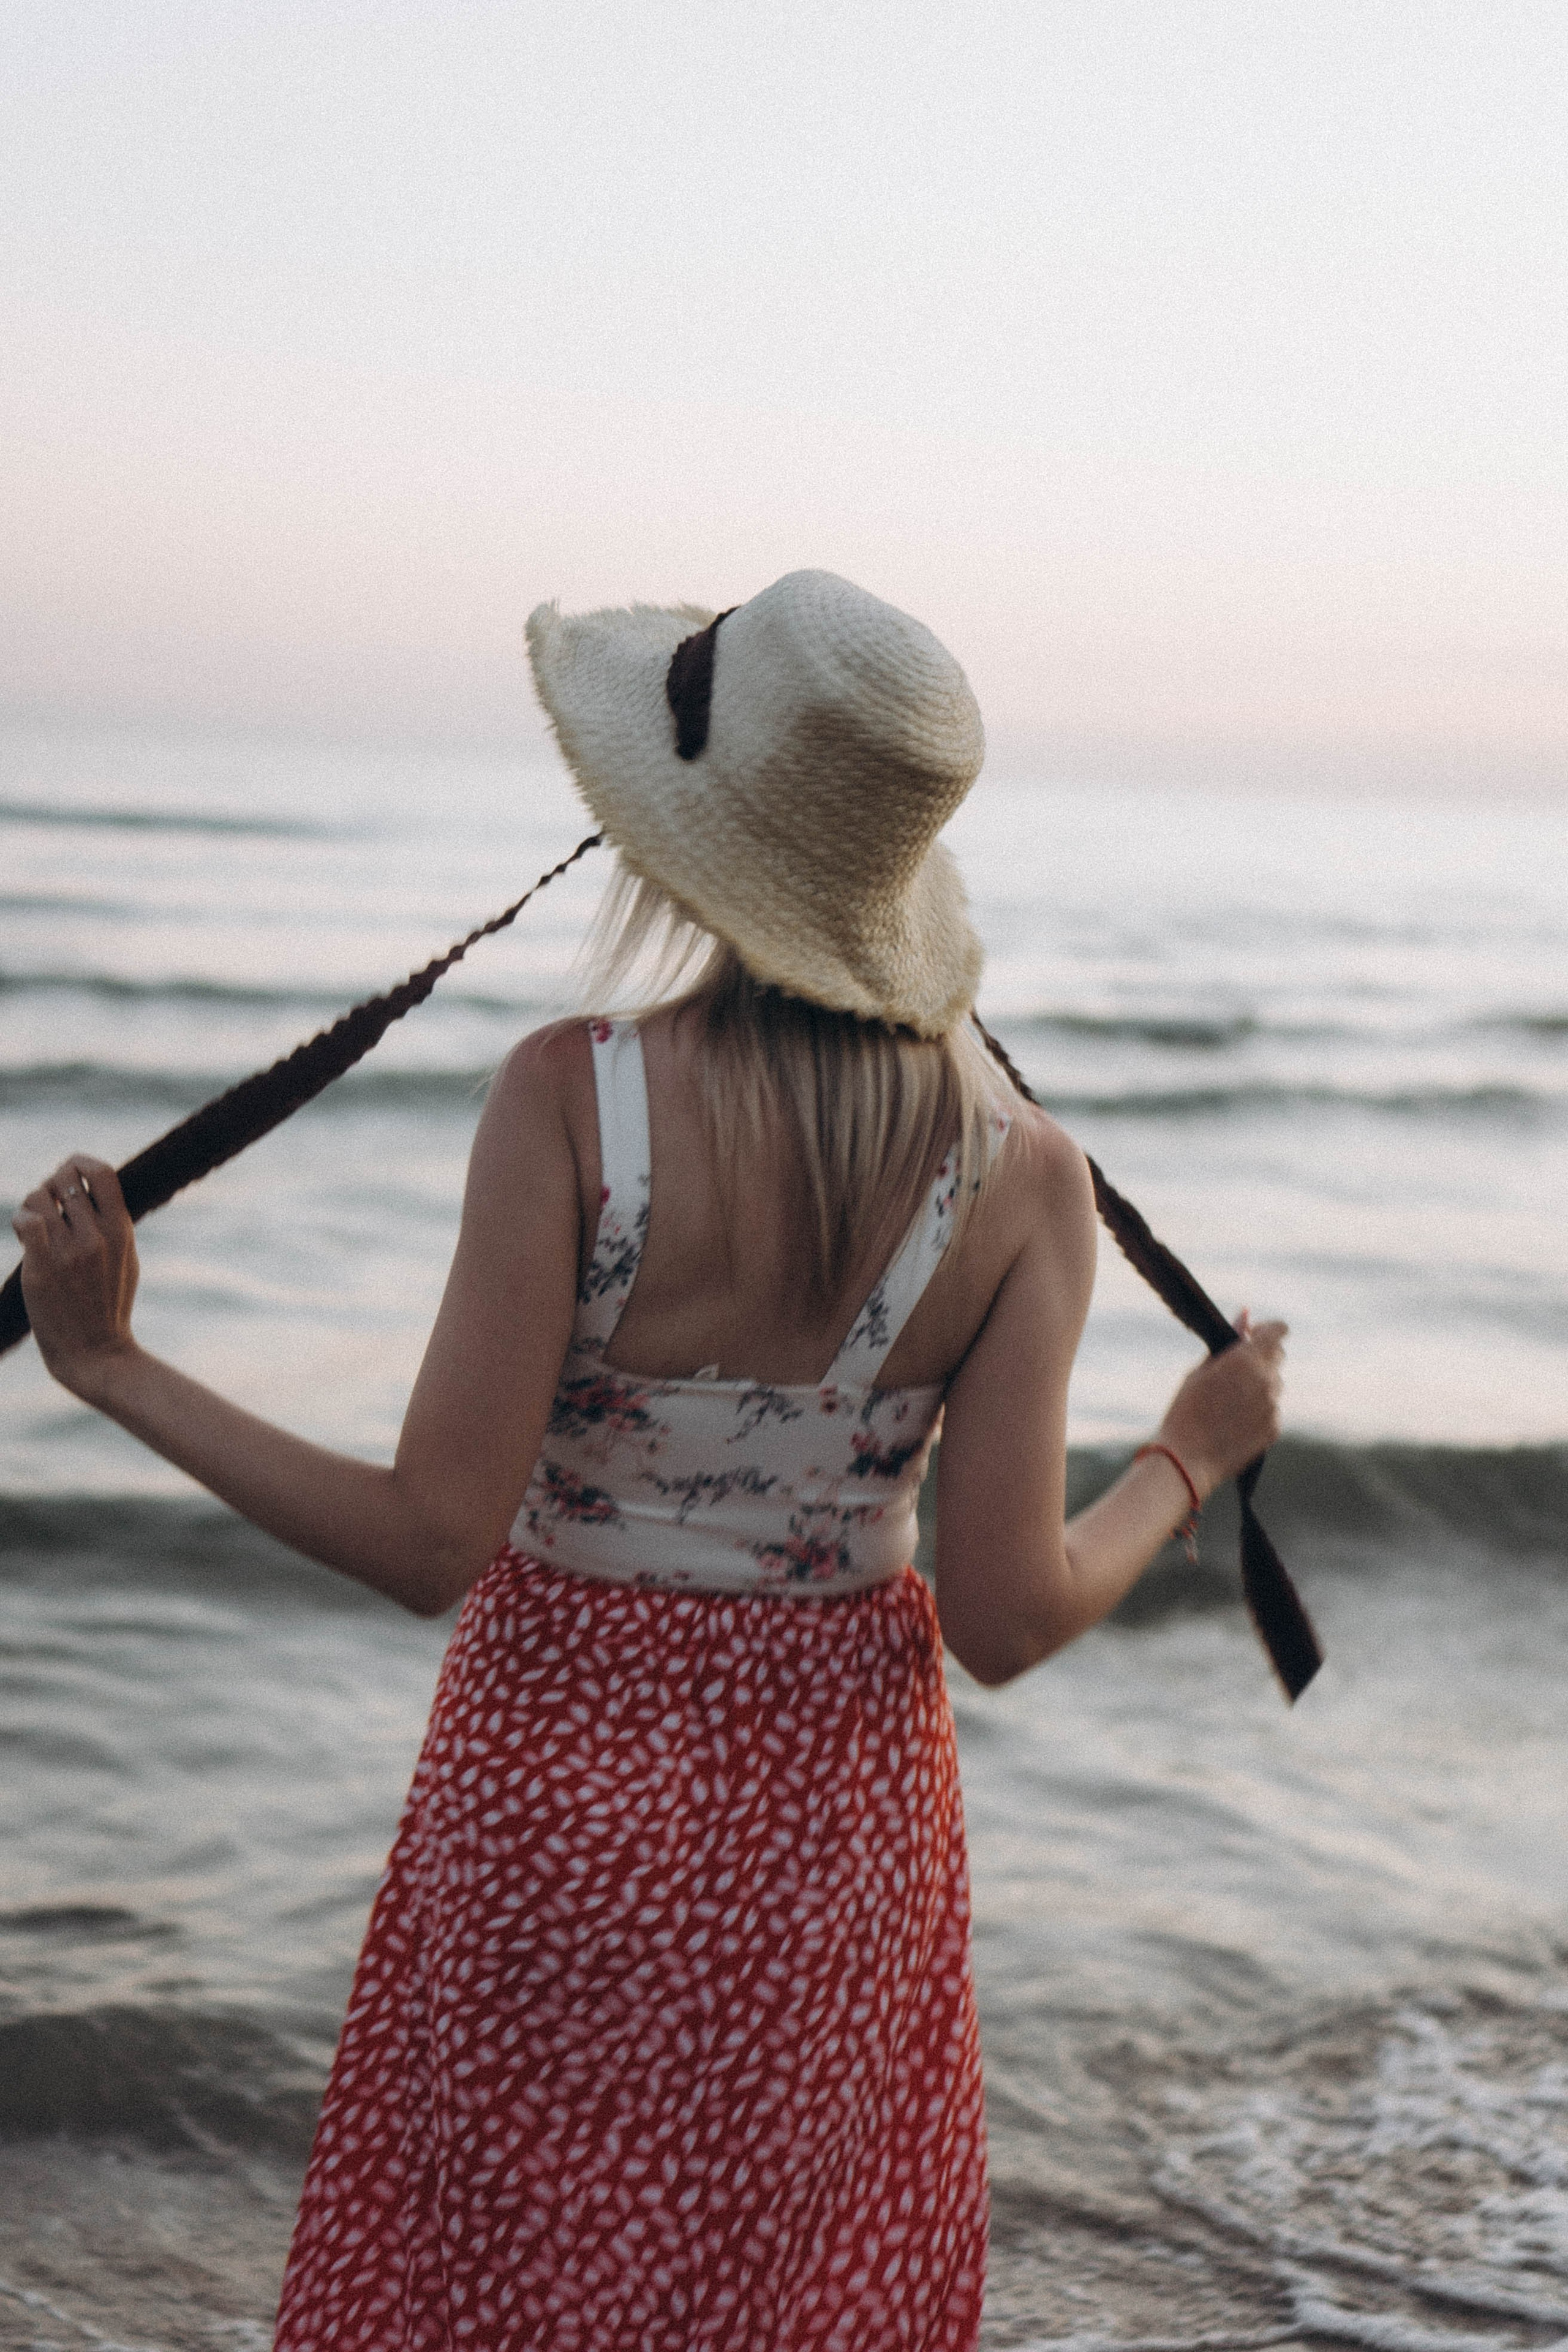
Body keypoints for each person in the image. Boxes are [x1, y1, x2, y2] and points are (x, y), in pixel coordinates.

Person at [13, 570, 1284, 2352]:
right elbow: (1003, 1616)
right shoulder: (1030, 1186)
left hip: (551, 1787)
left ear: (691, 831)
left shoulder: (571, 1100)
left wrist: (108, 1365)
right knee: (780, 2294)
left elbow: (426, 1539)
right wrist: (1191, 1453)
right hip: (834, 1833)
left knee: (503, 2290)